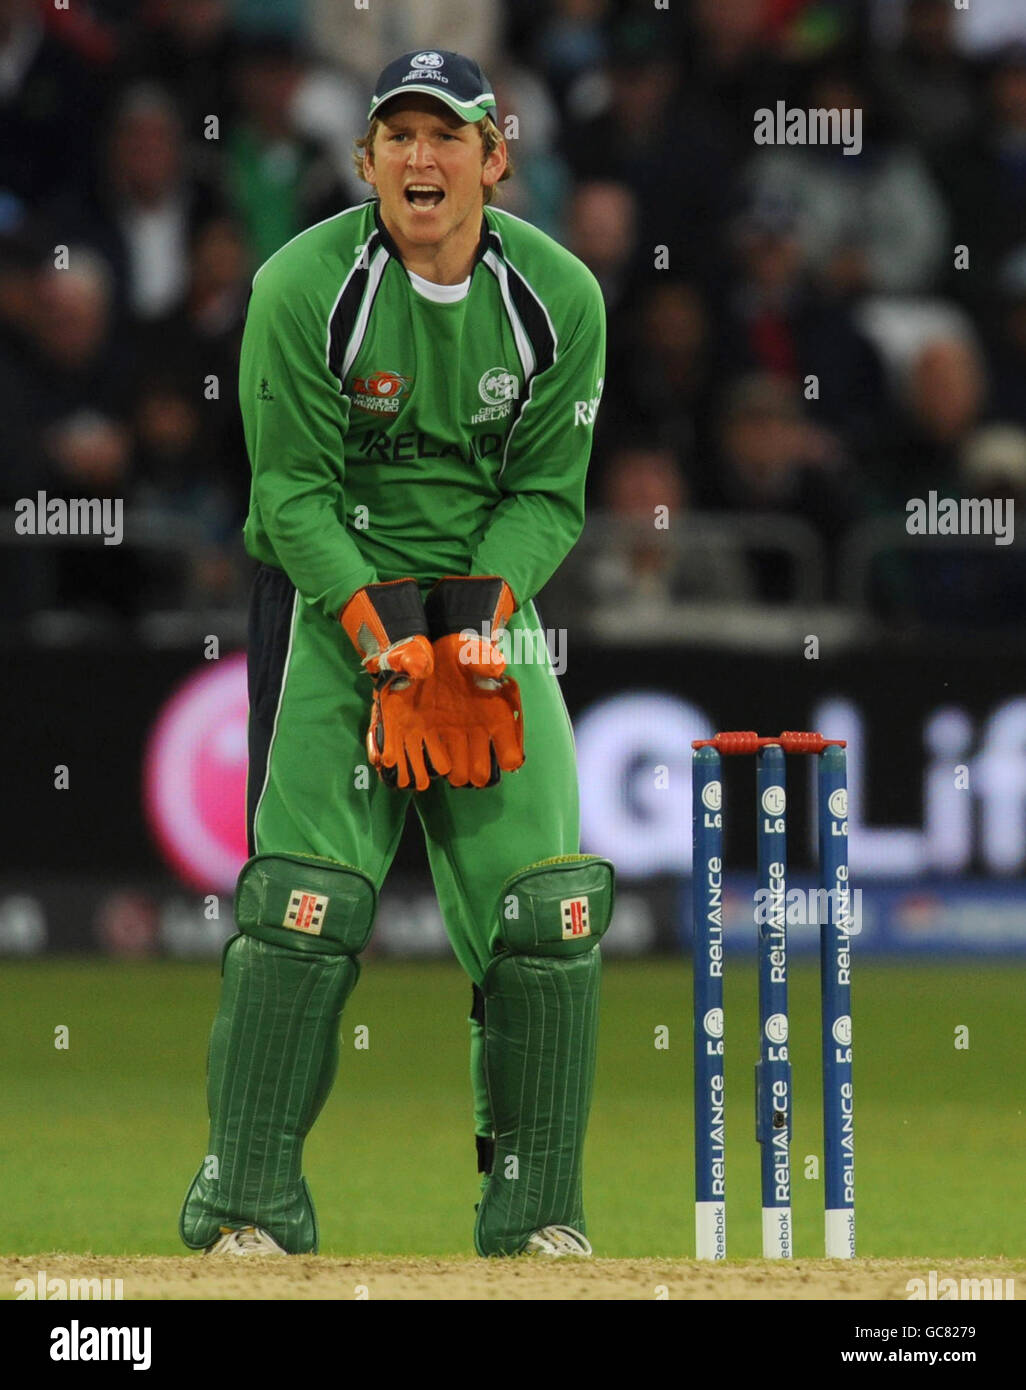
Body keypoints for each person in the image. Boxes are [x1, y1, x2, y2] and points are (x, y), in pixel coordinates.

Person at [179, 49, 613, 1259]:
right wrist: (388, 645)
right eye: (399, 137)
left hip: (483, 610)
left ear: (496, 155)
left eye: (449, 135)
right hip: (339, 605)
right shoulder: (302, 283)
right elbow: (294, 495)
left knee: (548, 914)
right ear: (364, 160)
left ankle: (536, 1220)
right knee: (301, 906)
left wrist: (471, 632)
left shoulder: (560, 297)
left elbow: (546, 494)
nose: (423, 159)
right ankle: (247, 1212)